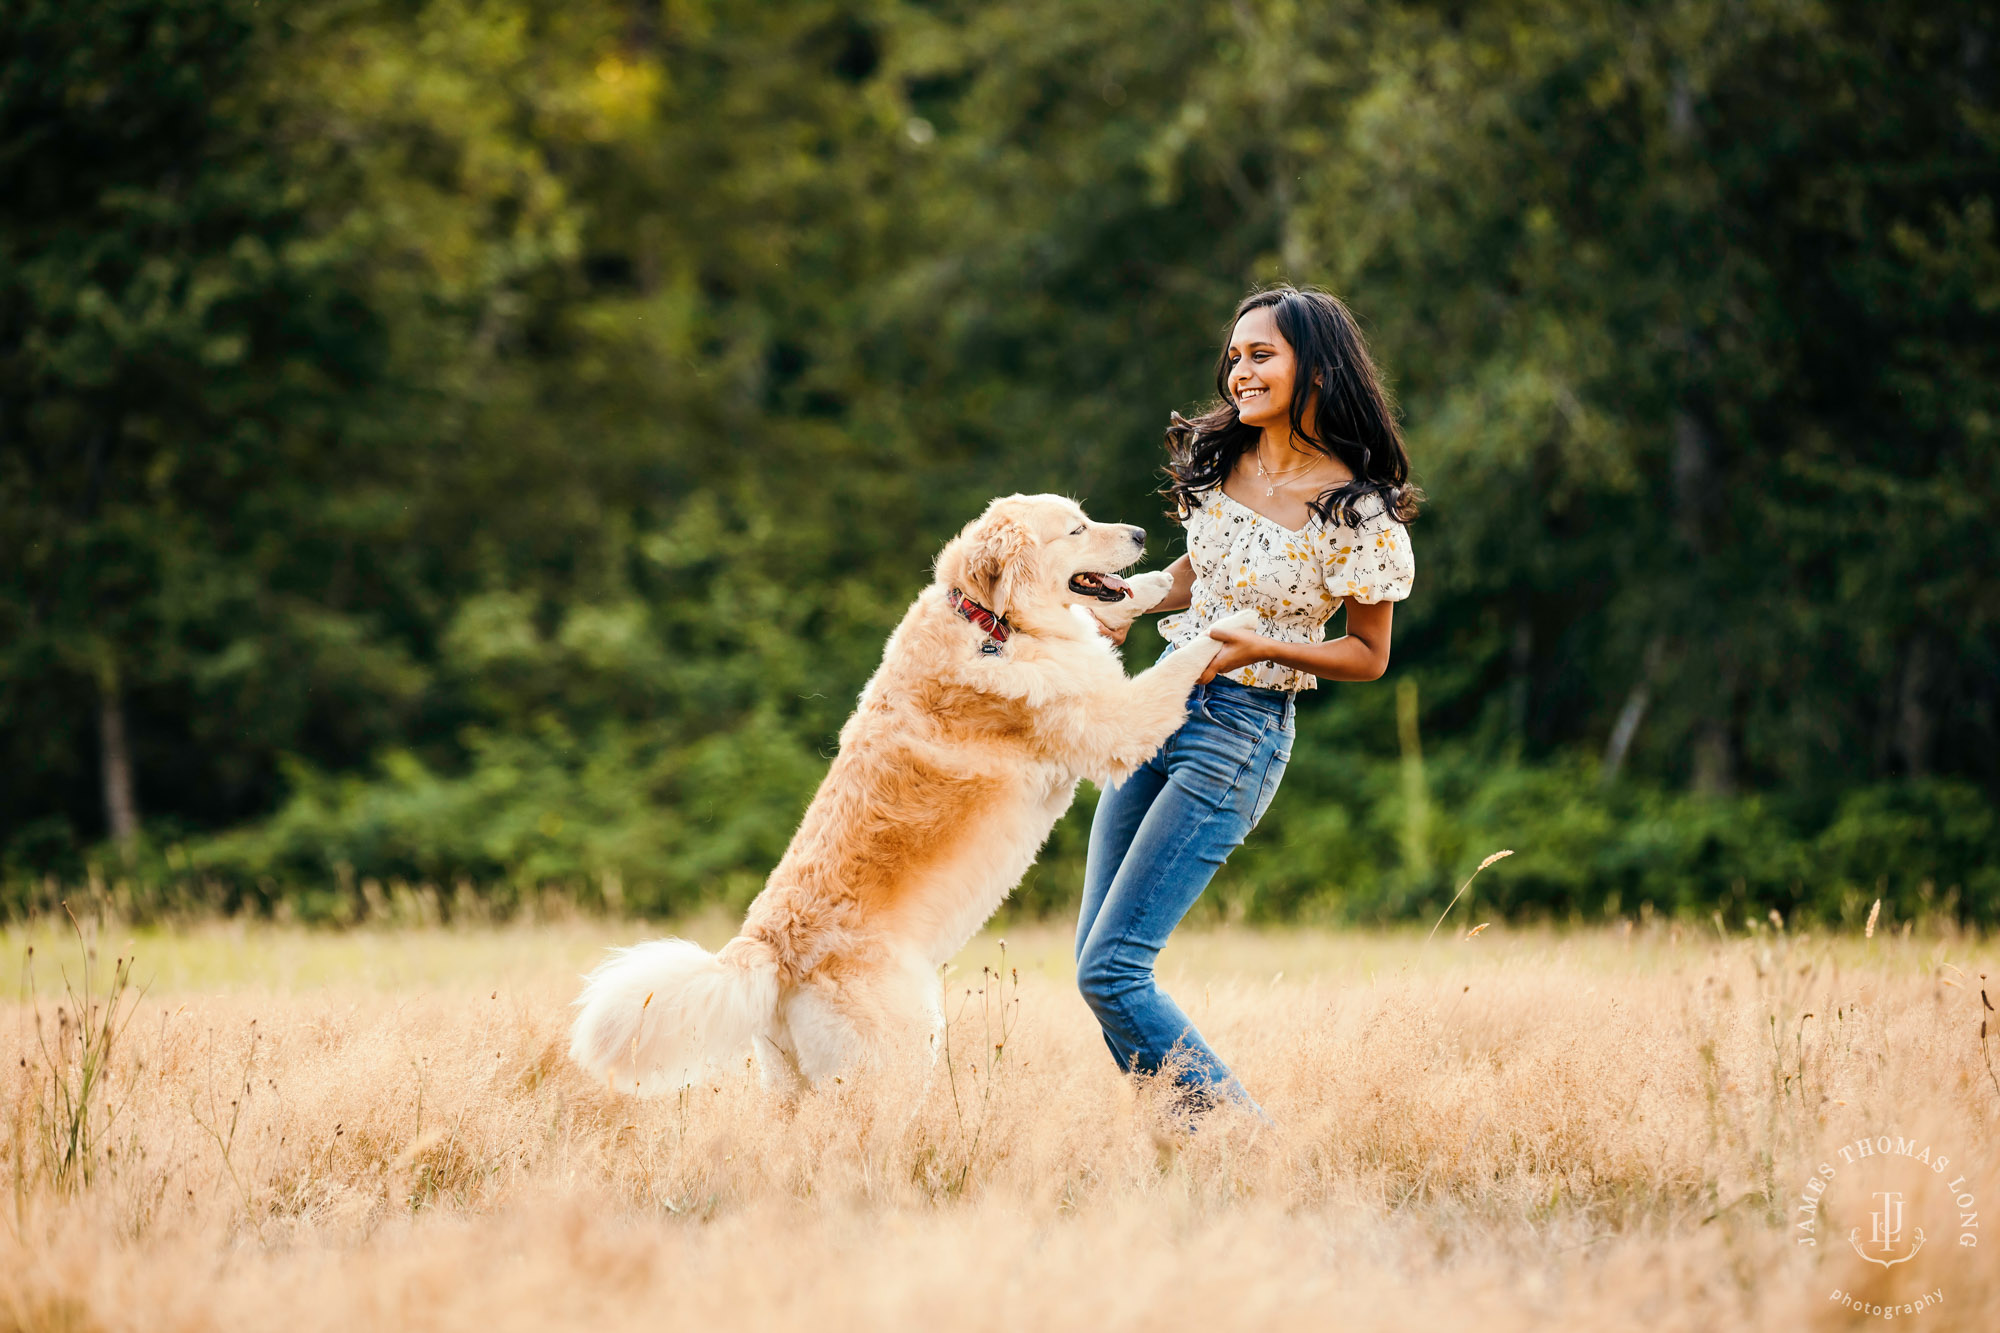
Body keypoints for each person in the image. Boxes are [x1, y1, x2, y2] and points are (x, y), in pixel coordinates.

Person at [1075, 285, 1422, 1115]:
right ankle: (1197, 1151)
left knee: (1113, 968)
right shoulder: (1224, 459)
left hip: (1239, 731)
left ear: (1316, 364)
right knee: (1096, 962)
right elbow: (1203, 574)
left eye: (1261, 354)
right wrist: (1131, 599)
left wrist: (1262, 645)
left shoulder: (1356, 507)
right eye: (1235, 356)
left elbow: (1368, 654)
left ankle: (1248, 1150)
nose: (1240, 371)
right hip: (1157, 707)